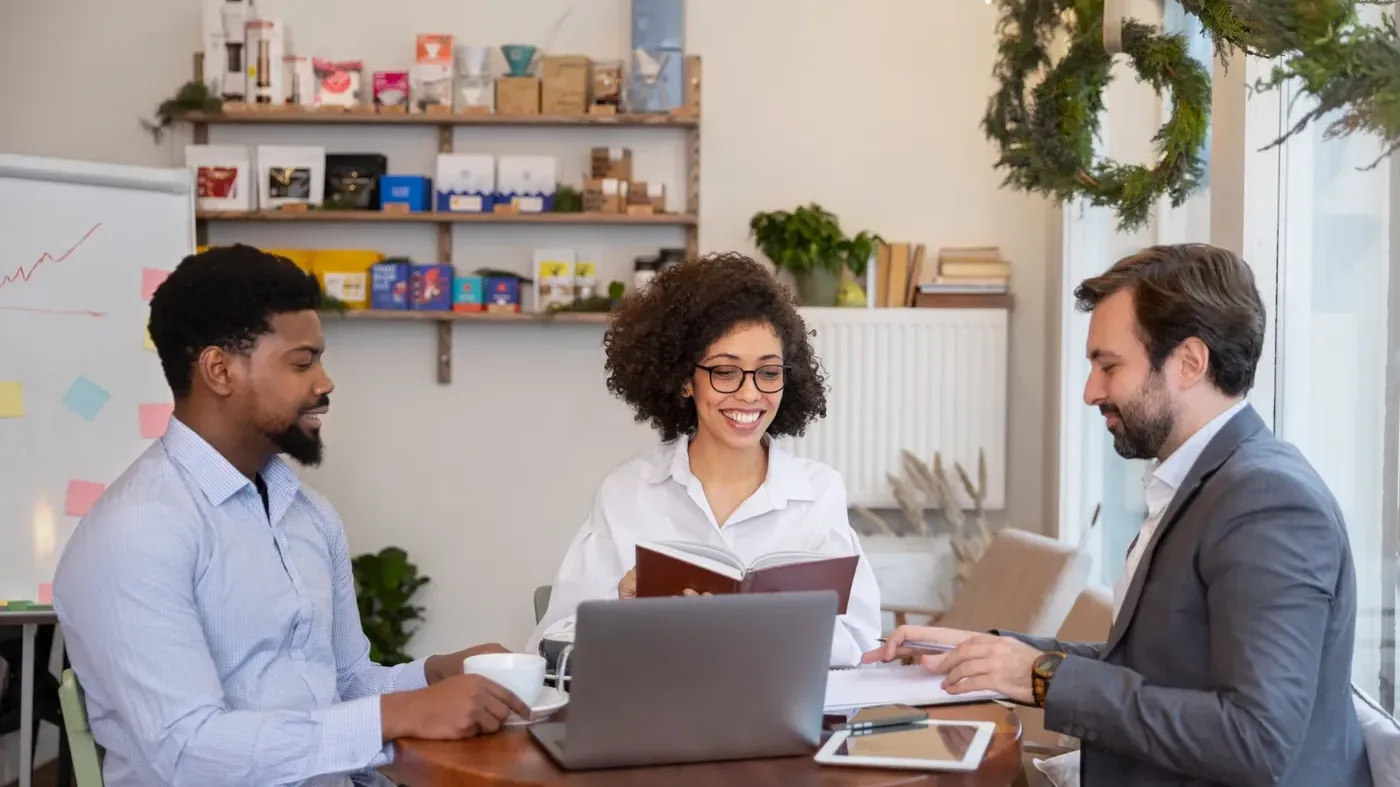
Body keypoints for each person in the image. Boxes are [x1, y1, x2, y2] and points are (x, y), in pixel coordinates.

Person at [867, 243, 1372, 787]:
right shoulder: (1208, 484)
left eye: (1108, 366)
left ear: (1189, 362)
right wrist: (994, 655)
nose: (1090, 392)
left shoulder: (1268, 503)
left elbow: (1257, 740)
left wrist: (1039, 677)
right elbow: (1155, 664)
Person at [52, 245, 531, 787]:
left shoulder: (308, 515)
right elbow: (187, 751)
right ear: (219, 370)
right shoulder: (136, 533)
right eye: (302, 363)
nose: (324, 382)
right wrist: (396, 715)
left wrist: (431, 675)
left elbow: (345, 682)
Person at [527, 252, 883, 666]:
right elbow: (551, 647)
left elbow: (860, 642)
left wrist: (764, 626)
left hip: (777, 719)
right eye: (725, 372)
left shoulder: (820, 493)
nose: (750, 394)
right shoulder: (628, 491)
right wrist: (624, 606)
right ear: (683, 381)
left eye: (768, 372)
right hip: (657, 717)